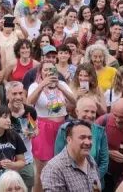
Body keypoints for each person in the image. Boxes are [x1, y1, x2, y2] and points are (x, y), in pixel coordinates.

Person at [26, 61, 75, 192]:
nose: (49, 72)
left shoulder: (62, 84)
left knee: (63, 166)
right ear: (40, 72)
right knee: (42, 169)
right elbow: (29, 103)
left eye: (52, 69)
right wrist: (43, 85)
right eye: (46, 69)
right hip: (43, 127)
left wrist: (60, 87)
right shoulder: (35, 85)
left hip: (62, 127)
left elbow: (74, 102)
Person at [55, 96, 109, 186]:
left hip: (94, 184)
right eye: (86, 111)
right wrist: (76, 180)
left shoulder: (100, 132)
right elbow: (57, 157)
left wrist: (92, 179)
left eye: (93, 112)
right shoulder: (65, 130)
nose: (89, 115)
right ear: (77, 111)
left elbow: (104, 162)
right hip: (69, 182)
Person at [41, 119, 102, 192]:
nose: (87, 142)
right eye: (82, 137)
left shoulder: (90, 160)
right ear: (69, 140)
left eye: (89, 138)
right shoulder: (54, 169)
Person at [6, 81, 37, 191]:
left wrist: (32, 133)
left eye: (20, 93)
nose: (18, 97)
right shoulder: (2, 111)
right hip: (7, 162)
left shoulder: (29, 111)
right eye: (14, 94)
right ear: (7, 95)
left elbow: (35, 129)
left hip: (26, 160)